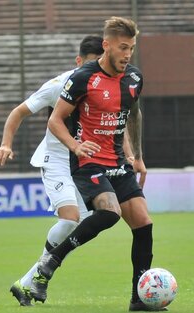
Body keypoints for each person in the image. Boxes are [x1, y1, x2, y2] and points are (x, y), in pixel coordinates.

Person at [31, 17, 162, 311]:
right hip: (88, 163)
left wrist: (137, 157)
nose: (127, 54)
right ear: (107, 46)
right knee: (110, 212)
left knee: (143, 223)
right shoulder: (83, 78)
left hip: (118, 162)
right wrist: (76, 147)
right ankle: (52, 261)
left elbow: (135, 115)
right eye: (122, 47)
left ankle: (139, 300)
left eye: (131, 48)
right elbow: (55, 120)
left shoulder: (134, 78)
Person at [0, 35, 106, 306]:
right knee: (69, 220)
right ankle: (35, 278)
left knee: (80, 228)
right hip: (55, 160)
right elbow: (19, 112)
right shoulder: (60, 85)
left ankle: (27, 282)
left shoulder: (104, 88)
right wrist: (6, 144)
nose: (92, 71)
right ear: (78, 62)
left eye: (98, 64)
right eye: (88, 65)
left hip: (83, 163)